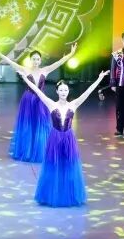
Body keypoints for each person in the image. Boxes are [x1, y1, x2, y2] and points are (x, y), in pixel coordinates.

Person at [21, 70, 109, 207]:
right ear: (57, 91)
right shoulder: (51, 104)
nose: (63, 92)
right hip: (55, 138)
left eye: (65, 90)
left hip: (68, 139)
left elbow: (88, 92)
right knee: (54, 164)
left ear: (68, 91)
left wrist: (99, 78)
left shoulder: (73, 104)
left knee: (69, 165)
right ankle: (53, 193)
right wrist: (25, 79)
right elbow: (37, 91)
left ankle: (69, 193)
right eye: (61, 90)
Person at [0, 43, 77, 162]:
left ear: (40, 60)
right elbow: (11, 62)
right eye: (34, 59)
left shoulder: (45, 70)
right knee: (28, 124)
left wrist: (71, 54)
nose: (36, 61)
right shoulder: (25, 69)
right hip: (28, 100)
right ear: (30, 60)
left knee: (42, 124)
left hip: (41, 100)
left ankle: (41, 150)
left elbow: (59, 62)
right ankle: (28, 151)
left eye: (38, 59)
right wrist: (0, 54)